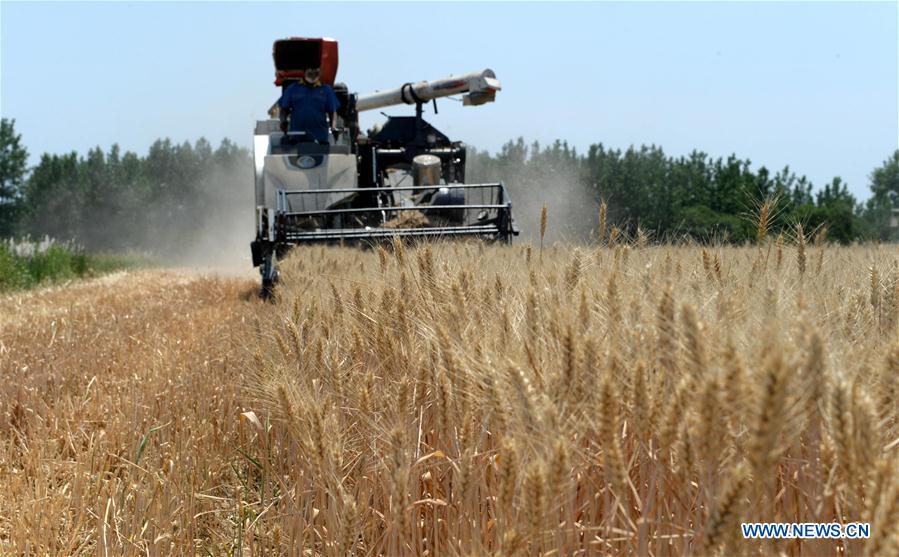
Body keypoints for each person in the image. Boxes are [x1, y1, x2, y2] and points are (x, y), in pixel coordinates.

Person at [278, 67, 339, 143]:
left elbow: (332, 111)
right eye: (310, 70)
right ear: (304, 71)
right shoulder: (292, 89)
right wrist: (283, 121)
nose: (313, 73)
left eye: (316, 69)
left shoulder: (326, 90)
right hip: (297, 139)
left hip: (320, 139)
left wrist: (333, 127)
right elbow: (283, 109)